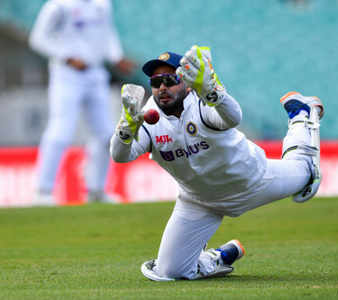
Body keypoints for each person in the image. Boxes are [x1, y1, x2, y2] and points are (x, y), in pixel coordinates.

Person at [110, 45, 324, 281]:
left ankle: (302, 115)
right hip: (199, 201)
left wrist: (212, 91)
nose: (162, 87)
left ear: (188, 83)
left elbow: (233, 118)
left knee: (306, 175)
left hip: (253, 182)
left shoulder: (202, 104)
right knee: (169, 272)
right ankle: (218, 257)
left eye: (170, 79)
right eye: (156, 81)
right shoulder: (148, 118)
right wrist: (125, 130)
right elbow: (120, 156)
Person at [29, 0, 134, 205]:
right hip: (66, 74)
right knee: (60, 131)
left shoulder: (102, 4)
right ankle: (43, 191)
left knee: (106, 135)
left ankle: (96, 190)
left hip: (95, 73)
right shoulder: (58, 6)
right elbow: (38, 38)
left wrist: (116, 56)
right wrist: (67, 57)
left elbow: (107, 32)